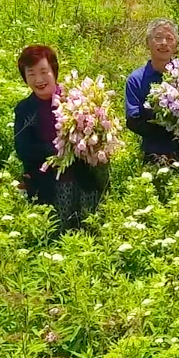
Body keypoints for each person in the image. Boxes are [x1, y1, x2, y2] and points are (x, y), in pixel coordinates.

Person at [13, 44, 107, 232]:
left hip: (86, 181)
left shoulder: (77, 99)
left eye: (43, 71)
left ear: (54, 71)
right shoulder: (25, 109)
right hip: (50, 185)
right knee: (57, 236)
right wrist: (58, 151)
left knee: (90, 232)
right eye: (31, 74)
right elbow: (24, 149)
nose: (38, 79)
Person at [125, 19, 179, 172]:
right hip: (155, 154)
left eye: (169, 39)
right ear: (148, 43)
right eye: (158, 38)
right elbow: (133, 121)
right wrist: (170, 127)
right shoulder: (136, 79)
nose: (164, 43)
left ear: (176, 45)